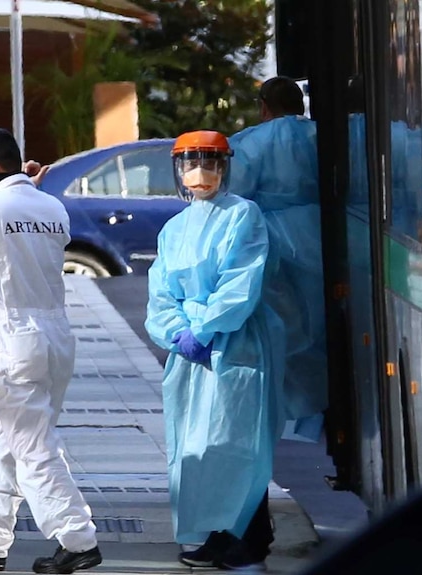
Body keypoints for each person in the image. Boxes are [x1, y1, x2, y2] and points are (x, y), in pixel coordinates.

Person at [0, 128, 102, 574]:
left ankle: (77, 538)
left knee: (32, 447)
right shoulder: (52, 207)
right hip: (57, 338)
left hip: (13, 341)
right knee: (15, 440)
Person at [145, 131, 284, 570]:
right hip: (190, 352)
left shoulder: (244, 215)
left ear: (224, 167)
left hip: (235, 342)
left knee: (237, 443)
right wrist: (178, 332)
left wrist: (205, 329)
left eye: (208, 162)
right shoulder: (175, 228)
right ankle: (211, 535)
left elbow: (240, 282)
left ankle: (246, 537)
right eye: (189, 163)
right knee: (195, 446)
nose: (198, 172)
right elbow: (161, 291)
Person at [228, 76, 327, 440]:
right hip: (322, 232)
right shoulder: (324, 135)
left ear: (264, 106)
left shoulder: (251, 142)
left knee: (287, 329)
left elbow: (233, 192)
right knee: (321, 325)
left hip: (274, 241)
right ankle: (320, 410)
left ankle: (293, 409)